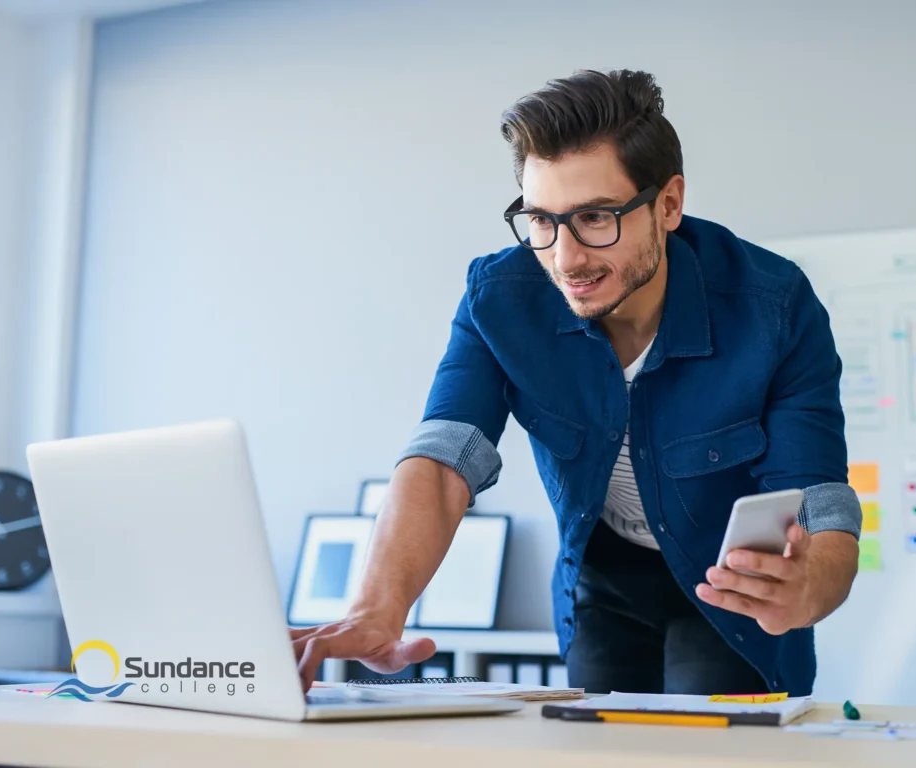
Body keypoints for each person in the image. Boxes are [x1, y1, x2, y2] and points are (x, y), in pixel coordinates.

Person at [291, 69, 862, 696]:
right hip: (604, 579)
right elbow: (443, 457)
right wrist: (377, 606)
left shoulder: (774, 305)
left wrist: (816, 586)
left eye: (595, 217)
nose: (565, 258)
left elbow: (819, 497)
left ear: (668, 204)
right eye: (541, 220)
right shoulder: (500, 298)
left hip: (729, 586)